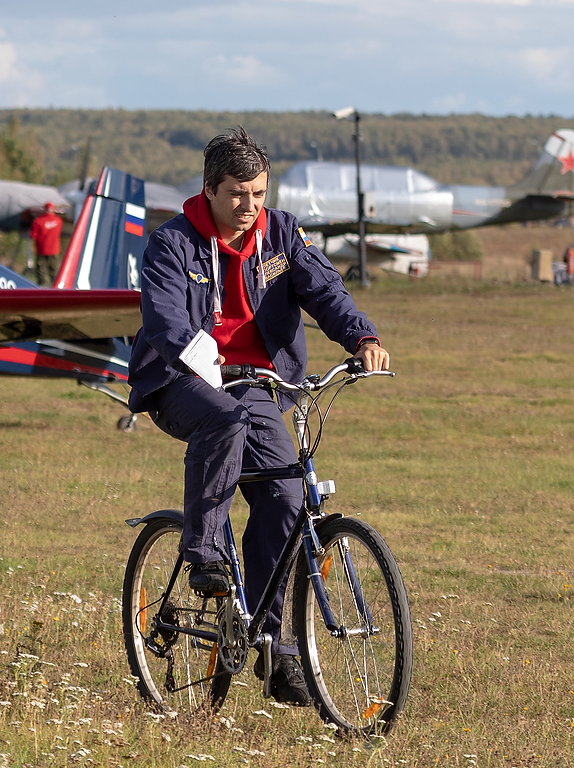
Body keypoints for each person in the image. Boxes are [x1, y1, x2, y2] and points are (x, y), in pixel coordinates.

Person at [126, 126, 391, 706]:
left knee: (289, 499)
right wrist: (206, 362)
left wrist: (360, 338)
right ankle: (201, 553)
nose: (250, 207)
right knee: (222, 419)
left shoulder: (282, 236)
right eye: (237, 194)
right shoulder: (172, 244)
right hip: (180, 379)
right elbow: (166, 320)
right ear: (210, 190)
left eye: (259, 194)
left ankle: (276, 649)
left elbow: (325, 292)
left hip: (261, 385)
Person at [31, 202, 65, 286]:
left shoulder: (38, 221)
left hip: (41, 249)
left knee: (41, 270)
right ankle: (56, 285)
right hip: (54, 250)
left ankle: (42, 285)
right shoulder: (58, 221)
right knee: (54, 270)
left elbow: (33, 235)